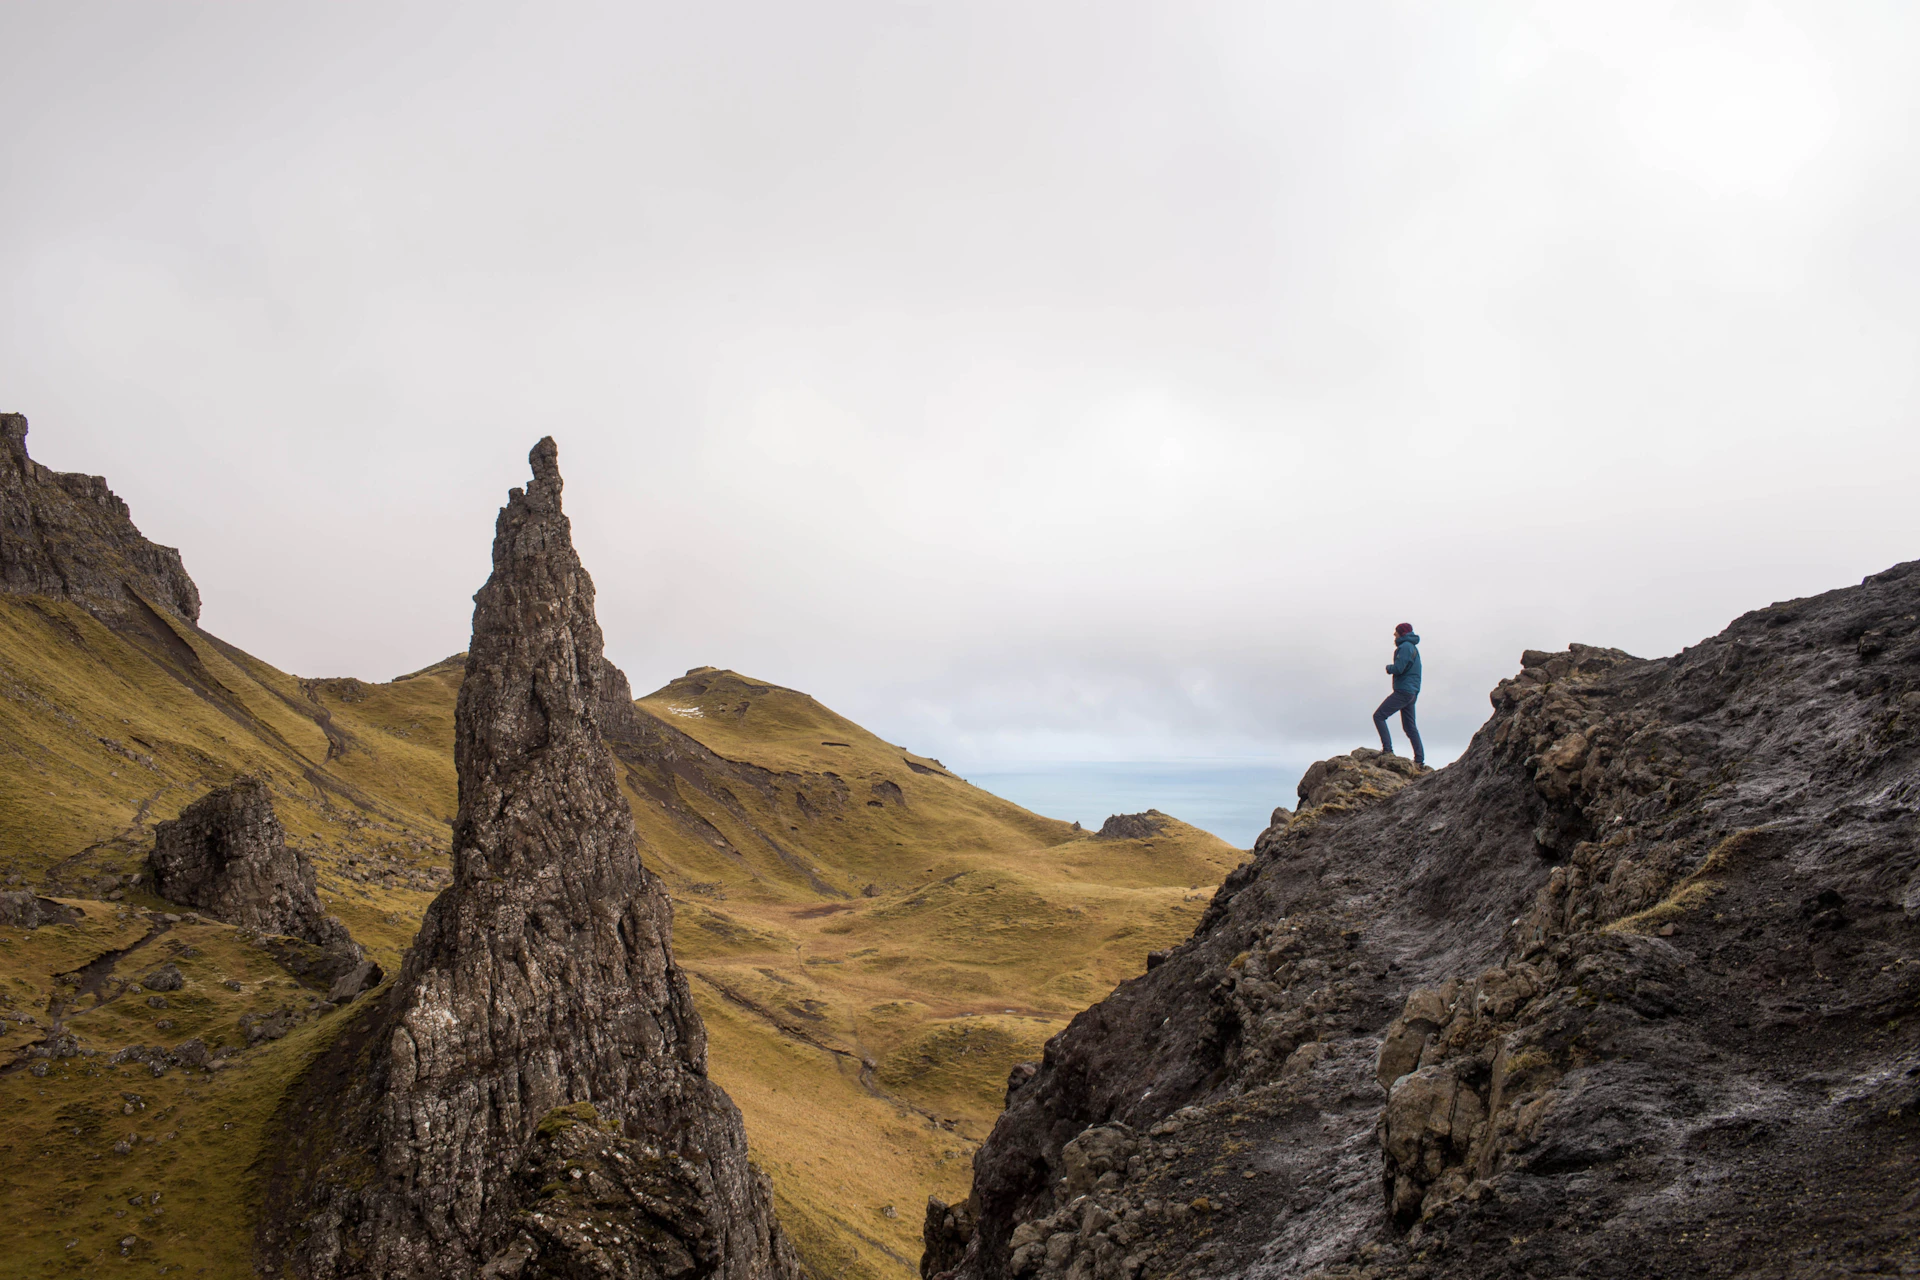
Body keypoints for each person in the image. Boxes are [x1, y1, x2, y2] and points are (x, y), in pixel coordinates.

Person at [1374, 622, 1424, 766]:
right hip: (1412, 692)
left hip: (1403, 691)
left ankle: (1387, 750)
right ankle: (1419, 760)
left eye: (1396, 632)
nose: (1394, 634)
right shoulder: (1412, 647)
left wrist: (1389, 668)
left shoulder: (1405, 647)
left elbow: (1399, 668)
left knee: (1379, 716)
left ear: (1401, 633)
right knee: (1410, 727)